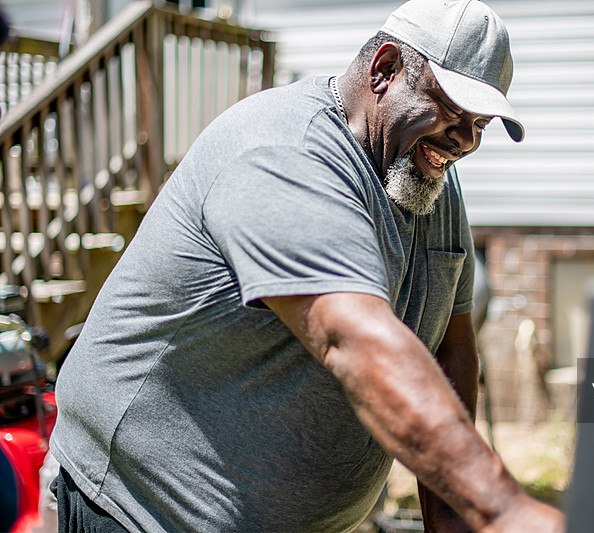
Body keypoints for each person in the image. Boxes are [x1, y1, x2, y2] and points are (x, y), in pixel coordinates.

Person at [49, 1, 566, 531]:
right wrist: (502, 509)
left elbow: (451, 349)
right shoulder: (284, 153)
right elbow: (353, 339)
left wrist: (454, 520)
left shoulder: (427, 180)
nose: (466, 140)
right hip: (138, 512)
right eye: (451, 110)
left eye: (479, 124)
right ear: (384, 70)